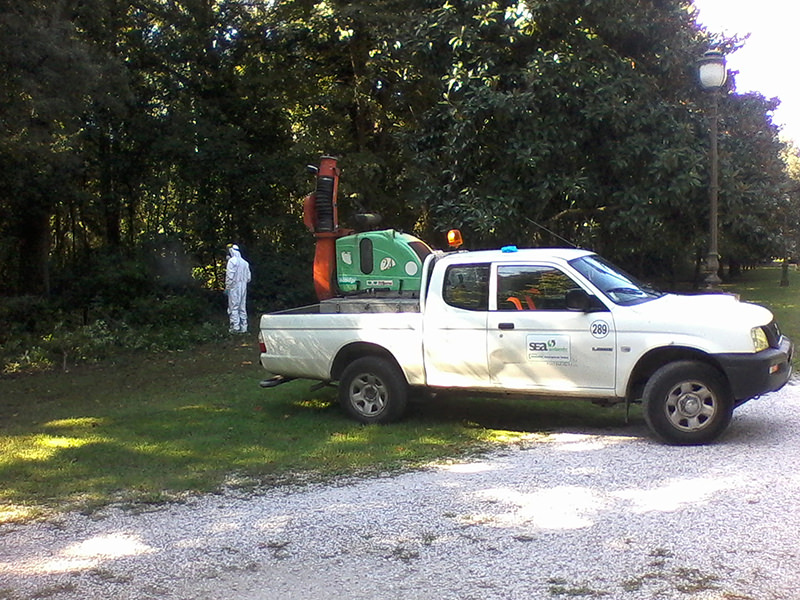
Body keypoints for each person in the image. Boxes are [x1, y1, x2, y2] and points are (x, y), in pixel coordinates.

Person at [225, 243, 251, 333]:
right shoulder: (245, 263)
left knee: (233, 306)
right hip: (243, 287)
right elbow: (248, 278)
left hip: (233, 286)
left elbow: (229, 276)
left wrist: (228, 287)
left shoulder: (232, 261)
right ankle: (244, 327)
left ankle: (235, 327)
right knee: (242, 306)